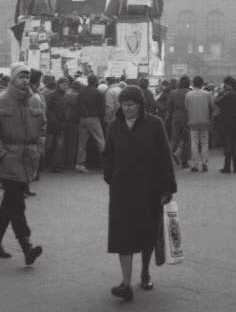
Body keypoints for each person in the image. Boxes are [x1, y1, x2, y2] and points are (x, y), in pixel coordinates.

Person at [103, 85, 177, 301]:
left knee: (147, 233)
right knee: (121, 234)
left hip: (149, 190)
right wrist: (110, 176)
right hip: (121, 191)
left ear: (140, 105)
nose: (128, 108)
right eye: (124, 104)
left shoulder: (155, 124)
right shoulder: (114, 126)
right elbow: (107, 155)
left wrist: (168, 187)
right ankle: (126, 283)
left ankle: (145, 272)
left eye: (132, 104)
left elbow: (165, 156)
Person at [0, 62, 45, 265]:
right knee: (17, 203)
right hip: (9, 160)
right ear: (12, 78)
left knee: (9, 203)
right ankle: (27, 246)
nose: (25, 80)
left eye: (27, 76)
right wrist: (2, 154)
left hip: (28, 159)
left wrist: (39, 148)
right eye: (21, 76)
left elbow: (43, 127)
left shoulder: (35, 100)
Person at [75, 74, 105, 173]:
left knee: (82, 143)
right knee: (100, 141)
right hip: (94, 118)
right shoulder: (99, 93)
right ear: (96, 82)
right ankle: (106, 163)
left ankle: (80, 164)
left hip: (83, 118)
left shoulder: (82, 92)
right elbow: (102, 108)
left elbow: (77, 105)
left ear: (88, 81)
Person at [215, 76, 236, 174]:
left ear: (229, 84)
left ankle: (227, 167)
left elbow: (216, 101)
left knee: (227, 145)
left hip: (226, 121)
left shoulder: (227, 95)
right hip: (235, 120)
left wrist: (220, 93)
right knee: (235, 144)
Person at [185, 75, 212, 172]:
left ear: (193, 83)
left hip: (192, 121)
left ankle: (195, 165)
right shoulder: (207, 94)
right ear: (202, 84)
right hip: (205, 121)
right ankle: (204, 163)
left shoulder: (188, 95)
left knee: (194, 143)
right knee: (204, 143)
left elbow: (186, 108)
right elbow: (211, 107)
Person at [167, 74, 190, 168]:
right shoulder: (189, 93)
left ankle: (167, 160)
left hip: (175, 118)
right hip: (186, 118)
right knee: (186, 140)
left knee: (174, 140)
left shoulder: (172, 93)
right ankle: (184, 162)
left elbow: (169, 107)